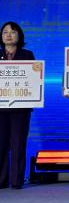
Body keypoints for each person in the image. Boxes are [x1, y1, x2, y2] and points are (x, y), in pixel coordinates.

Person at [0, 22, 35, 189]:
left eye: (13, 32)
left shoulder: (27, 55)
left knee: (18, 143)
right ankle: (1, 179)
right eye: (5, 32)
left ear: (19, 36)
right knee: (1, 144)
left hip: (20, 108)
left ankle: (16, 180)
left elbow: (33, 80)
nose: (8, 35)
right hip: (0, 108)